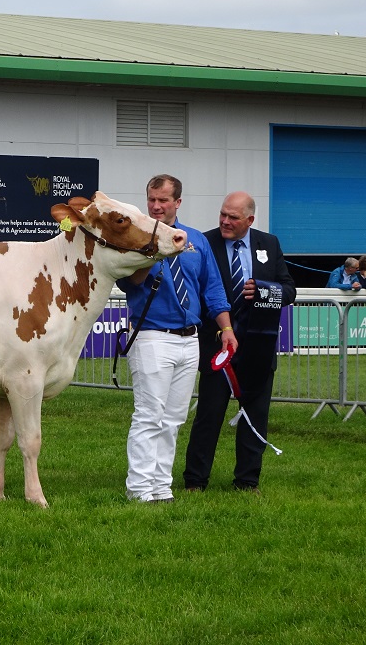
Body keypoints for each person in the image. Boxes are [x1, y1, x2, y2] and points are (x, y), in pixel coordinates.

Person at [115, 174, 236, 504]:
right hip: (153, 334)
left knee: (172, 419)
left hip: (190, 338)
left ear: (177, 203)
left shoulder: (195, 240)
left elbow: (212, 289)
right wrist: (156, 252)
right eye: (152, 199)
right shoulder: (136, 238)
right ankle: (139, 489)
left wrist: (226, 329)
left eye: (163, 200)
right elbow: (131, 283)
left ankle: (161, 486)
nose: (156, 206)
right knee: (149, 415)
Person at [184, 191, 296, 495]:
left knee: (255, 416)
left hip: (258, 347)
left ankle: (247, 481)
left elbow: (288, 290)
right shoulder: (205, 242)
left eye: (233, 217)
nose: (225, 221)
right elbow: (197, 289)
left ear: (250, 220)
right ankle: (195, 480)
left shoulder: (268, 244)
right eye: (223, 214)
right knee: (209, 415)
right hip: (218, 347)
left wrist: (264, 290)